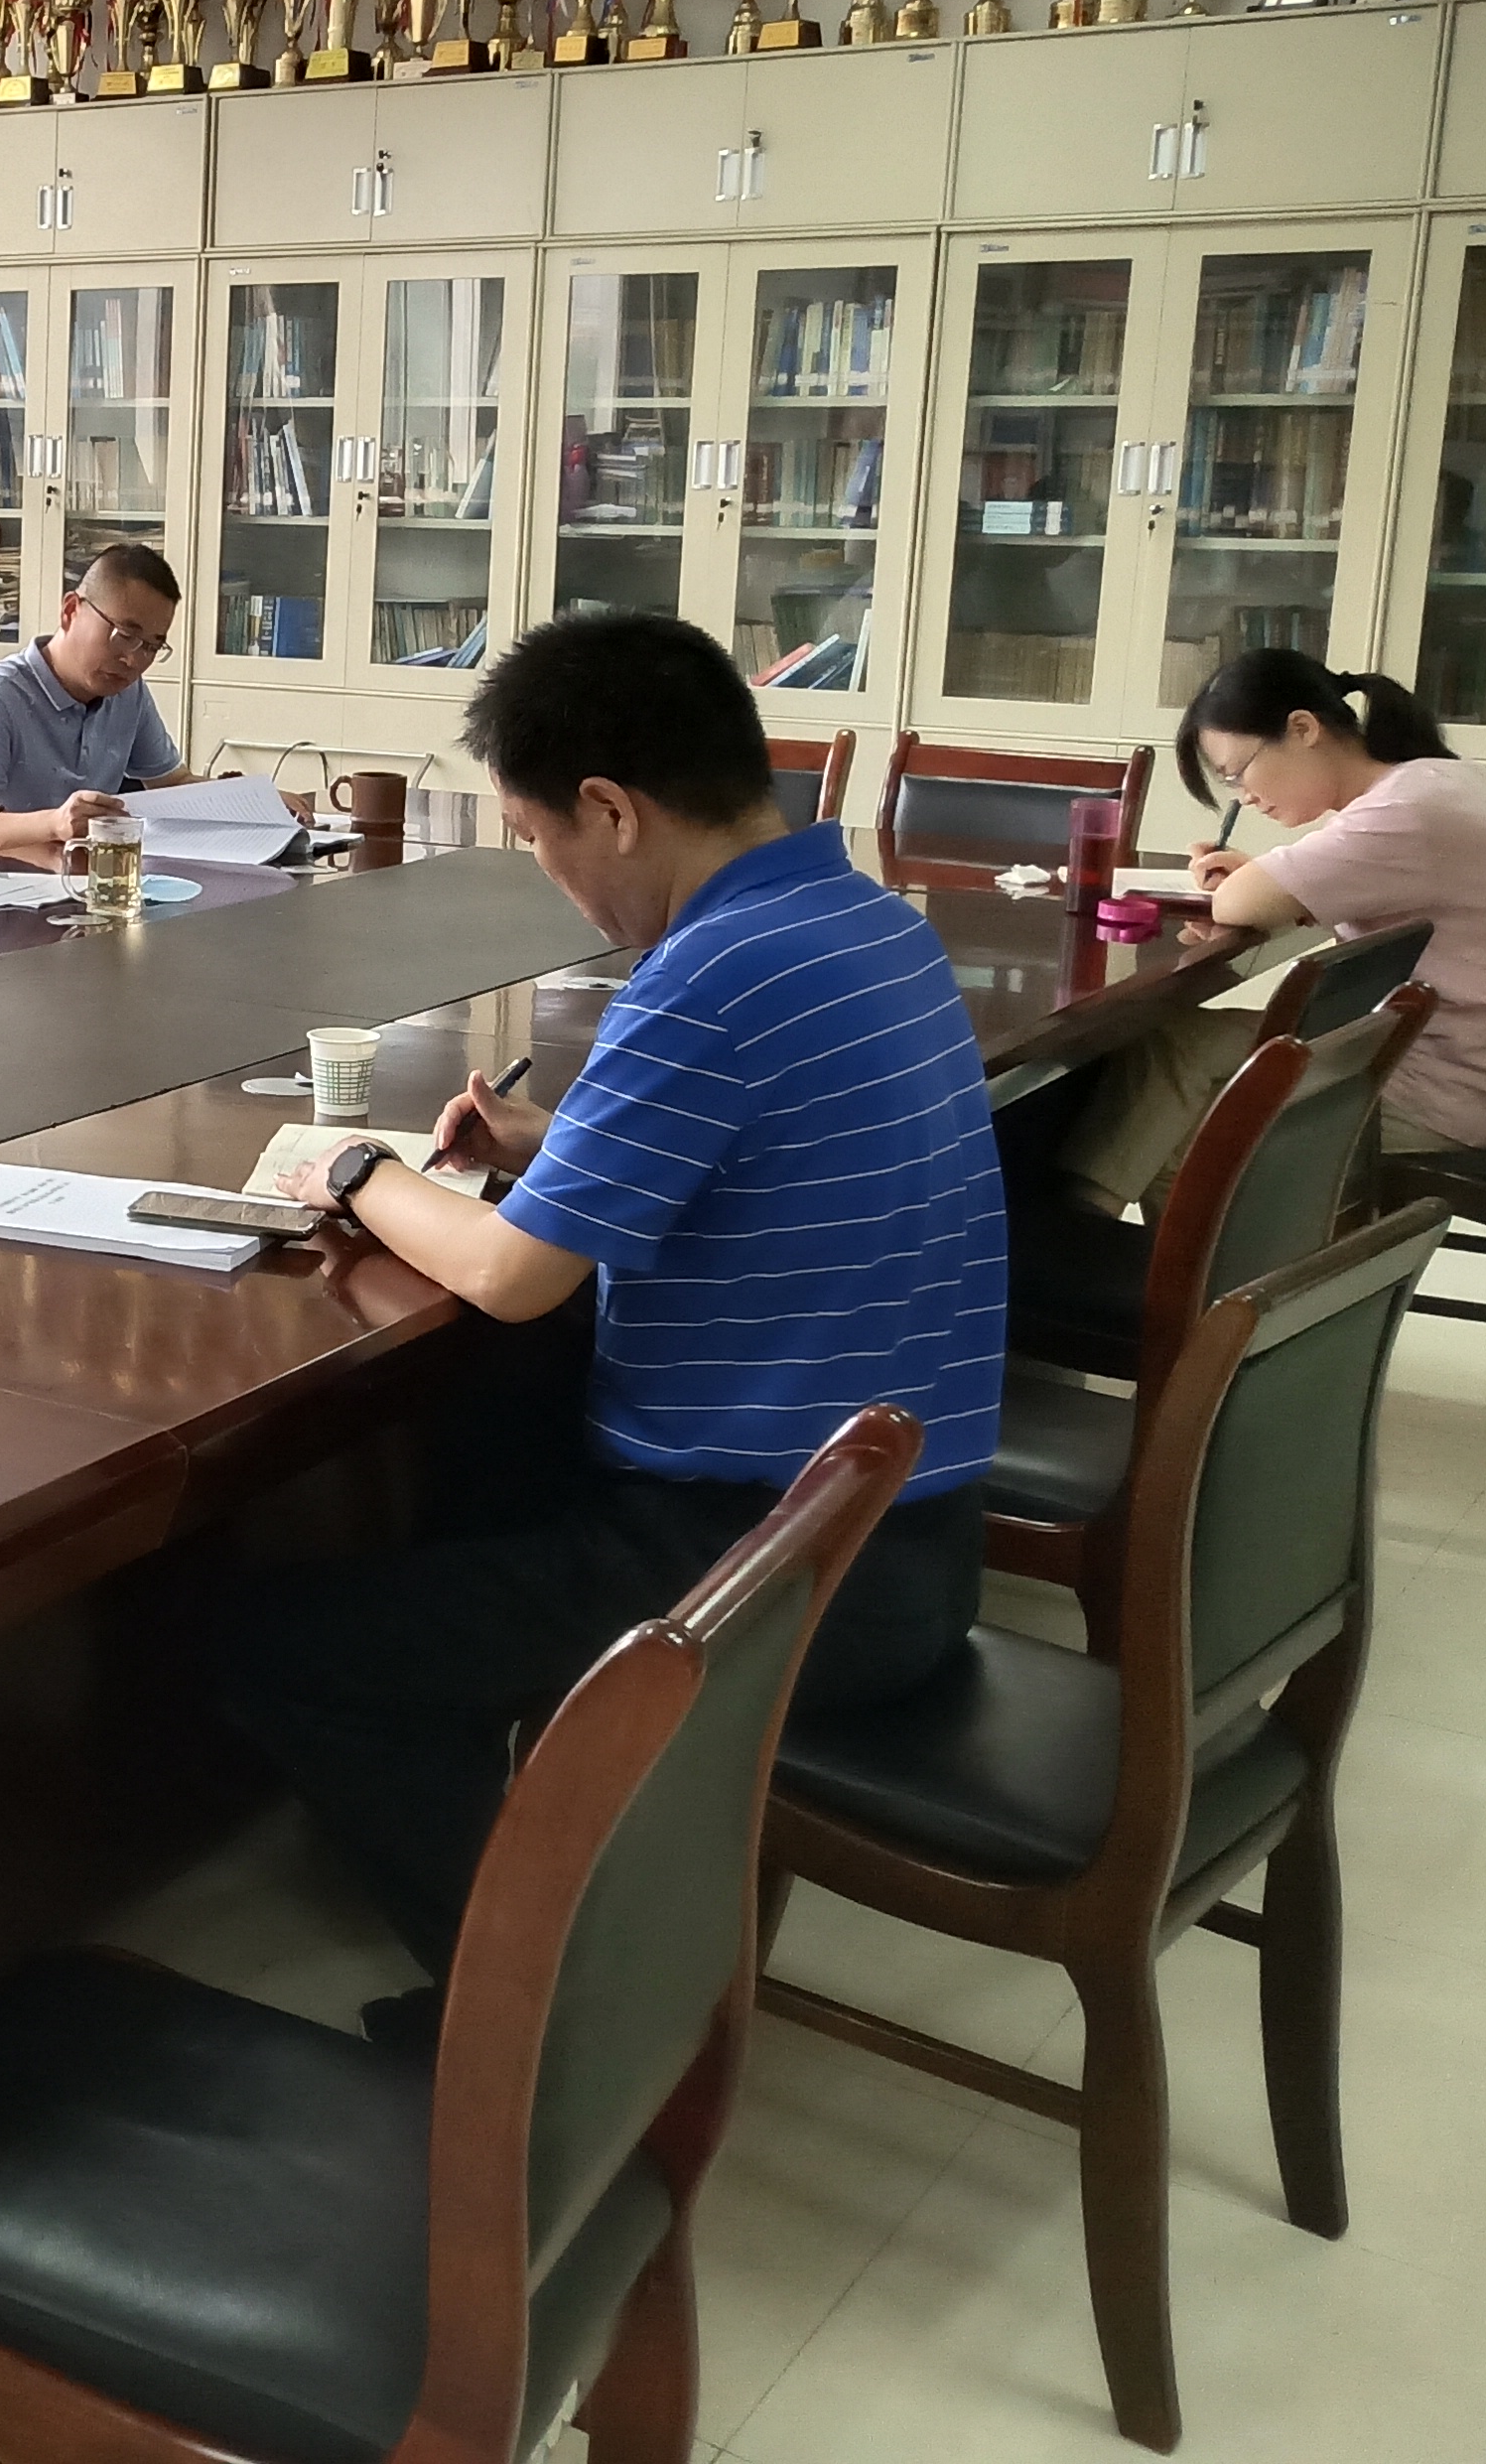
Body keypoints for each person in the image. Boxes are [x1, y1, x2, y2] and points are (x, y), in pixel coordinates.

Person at [230, 612, 1003, 2041]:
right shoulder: (864, 922)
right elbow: (765, 1149)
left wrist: (351, 1169)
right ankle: (522, 1820)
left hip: (775, 1576)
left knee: (287, 1646)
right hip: (909, 1540)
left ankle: (546, 2031)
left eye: (537, 836)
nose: (550, 873)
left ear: (612, 809)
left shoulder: (709, 975)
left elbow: (512, 1276)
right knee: (484, 1439)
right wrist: (558, 1146)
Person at [1059, 649, 1486, 1212]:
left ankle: (1102, 1240)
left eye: (1237, 771)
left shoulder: (1407, 809)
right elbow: (1298, 892)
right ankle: (1090, 1220)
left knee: (1182, 1141)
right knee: (1177, 1044)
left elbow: (1237, 903)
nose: (1243, 796)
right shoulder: (1433, 782)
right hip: (1468, 1070)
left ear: (1303, 729)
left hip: (1445, 1095)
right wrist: (1266, 881)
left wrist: (1252, 883)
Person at [0, 541, 199, 865]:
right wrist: (54, 834)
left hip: (74, 881)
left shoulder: (128, 694)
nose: (134, 660)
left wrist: (249, 797)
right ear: (70, 611)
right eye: (125, 635)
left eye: (151, 647)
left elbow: (174, 784)